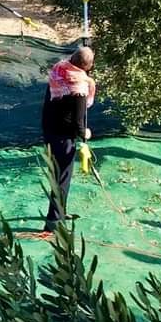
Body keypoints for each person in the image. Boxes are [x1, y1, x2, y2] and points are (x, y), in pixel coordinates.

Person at [41, 46, 96, 233]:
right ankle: (54, 222)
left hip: (49, 128)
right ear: (87, 66)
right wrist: (85, 133)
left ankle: (59, 212)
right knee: (62, 177)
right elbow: (78, 122)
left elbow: (76, 64)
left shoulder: (59, 69)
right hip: (63, 136)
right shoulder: (79, 89)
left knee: (57, 174)